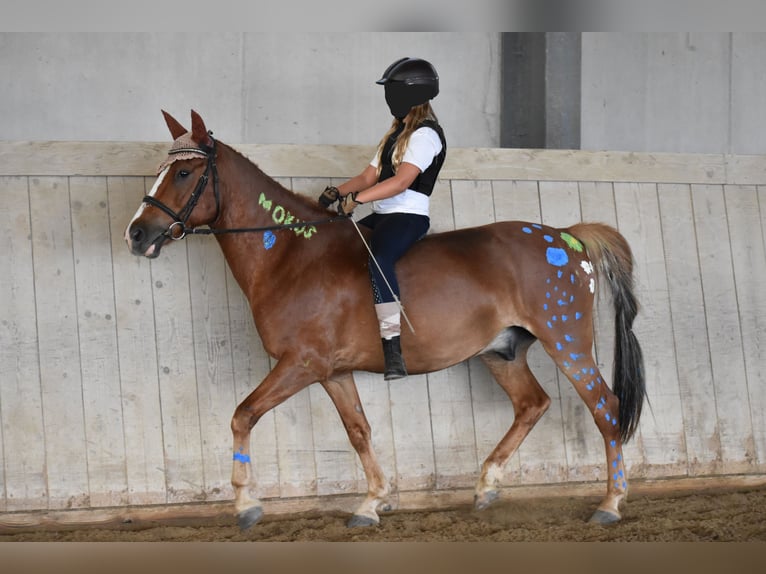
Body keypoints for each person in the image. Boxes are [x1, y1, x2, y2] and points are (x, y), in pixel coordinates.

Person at [318, 57, 447, 380]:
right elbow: (369, 175)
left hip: (408, 217)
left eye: (392, 92)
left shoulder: (425, 136)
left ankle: (393, 348)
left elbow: (401, 181)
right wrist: (338, 191)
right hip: (382, 214)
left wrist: (357, 201)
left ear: (411, 94)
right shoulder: (395, 133)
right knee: (335, 247)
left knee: (379, 261)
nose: (389, 100)